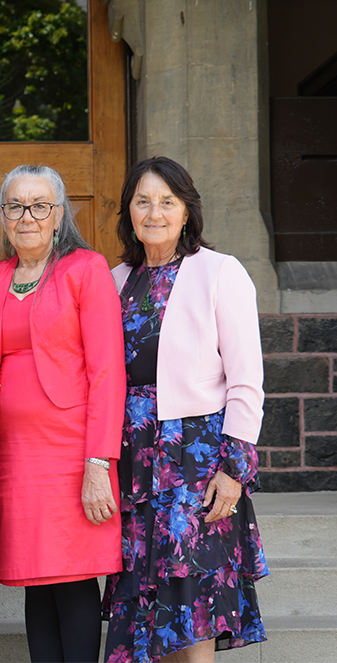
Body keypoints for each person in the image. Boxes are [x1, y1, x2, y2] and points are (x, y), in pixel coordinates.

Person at [102, 156, 269, 662]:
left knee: (191, 604)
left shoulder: (220, 272)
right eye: (142, 201)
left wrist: (235, 469)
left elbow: (246, 379)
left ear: (186, 211)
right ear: (128, 211)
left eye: (167, 202)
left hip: (194, 461)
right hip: (132, 460)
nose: (154, 212)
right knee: (146, 607)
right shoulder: (114, 279)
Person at [0, 165, 126, 663]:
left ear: (59, 214)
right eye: (15, 206)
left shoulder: (86, 269)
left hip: (72, 455)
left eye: (40, 205)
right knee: (35, 581)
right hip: (11, 457)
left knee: (74, 577)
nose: (27, 216)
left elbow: (108, 374)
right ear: (2, 216)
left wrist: (98, 464)